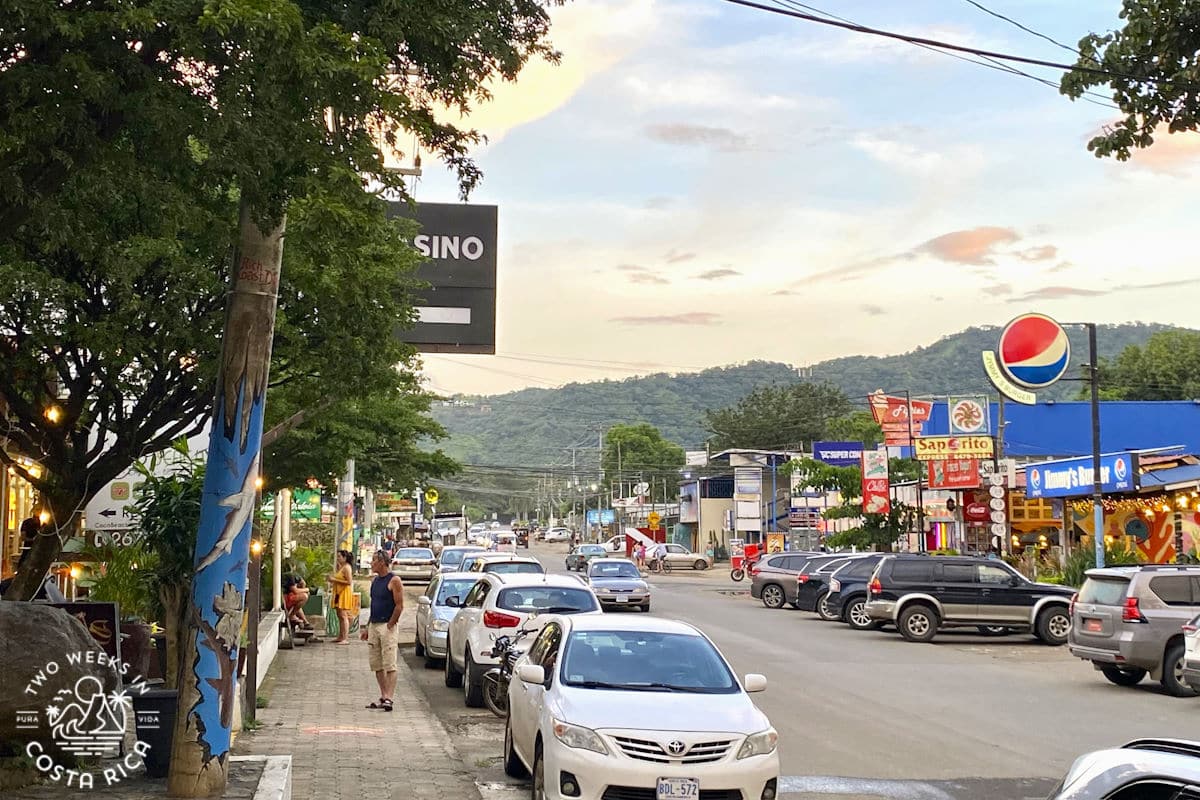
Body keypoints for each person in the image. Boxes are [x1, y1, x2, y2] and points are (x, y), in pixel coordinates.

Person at [361, 551, 404, 711]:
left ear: (382, 563)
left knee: (389, 662)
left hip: (387, 625)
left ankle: (389, 697)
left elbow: (399, 605)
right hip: (374, 624)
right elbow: (374, 606)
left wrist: (391, 624)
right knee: (376, 663)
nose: (371, 564)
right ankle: (383, 694)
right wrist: (367, 626)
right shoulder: (375, 581)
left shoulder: (394, 581)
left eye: (374, 561)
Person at [328, 549, 355, 644]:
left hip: (343, 592)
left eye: (339, 556)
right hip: (338, 592)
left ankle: (345, 638)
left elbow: (349, 582)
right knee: (339, 615)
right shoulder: (342, 567)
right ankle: (341, 636)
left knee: (343, 616)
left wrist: (334, 580)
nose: (338, 558)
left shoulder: (347, 567)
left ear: (344, 558)